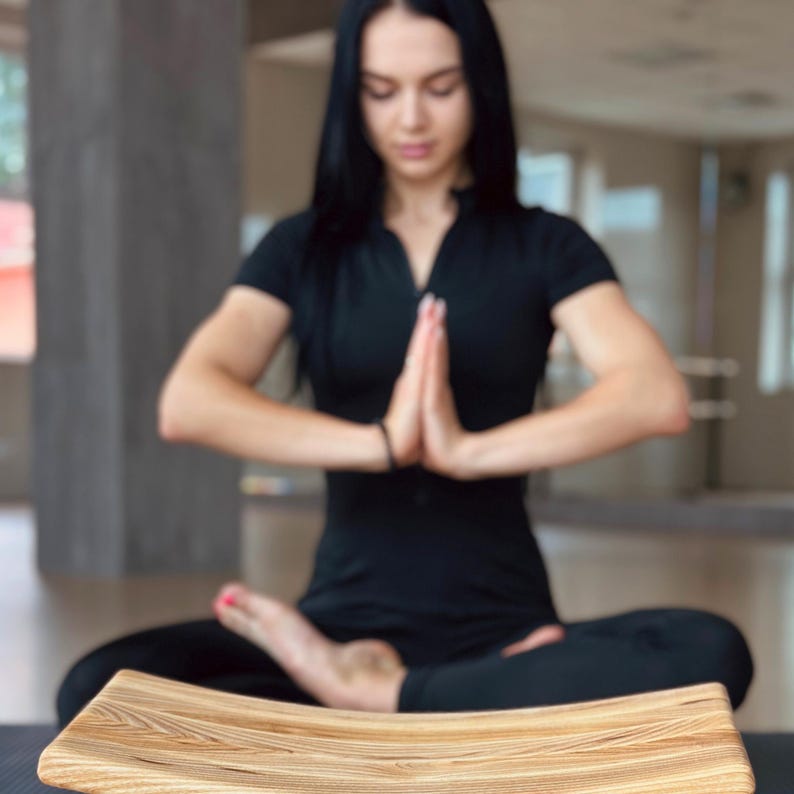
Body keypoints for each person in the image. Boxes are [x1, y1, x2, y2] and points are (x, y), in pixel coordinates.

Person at [56, 0, 753, 726]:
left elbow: (653, 395)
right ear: (352, 95)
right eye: (381, 91)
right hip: (339, 627)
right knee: (99, 685)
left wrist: (467, 450)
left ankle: (375, 705)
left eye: (440, 88)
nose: (411, 119)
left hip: (507, 633)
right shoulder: (303, 249)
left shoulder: (547, 245)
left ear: (480, 86)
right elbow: (190, 402)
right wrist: (383, 443)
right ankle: (449, 716)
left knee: (709, 650)